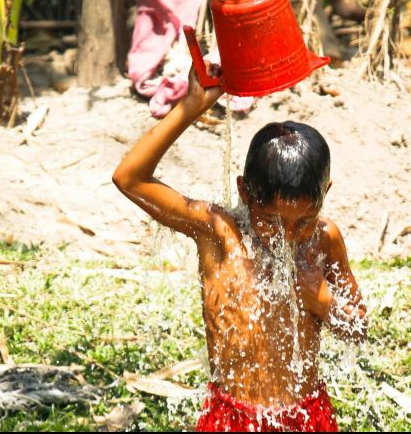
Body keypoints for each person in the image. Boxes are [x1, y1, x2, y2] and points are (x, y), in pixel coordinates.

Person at [112, 62, 367, 432]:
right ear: (245, 192)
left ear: (324, 195)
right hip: (233, 417)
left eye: (304, 220)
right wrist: (191, 106)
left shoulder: (324, 240)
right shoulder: (218, 233)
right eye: (272, 220)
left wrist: (323, 301)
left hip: (306, 415)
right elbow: (129, 179)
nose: (290, 234)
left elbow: (358, 328)